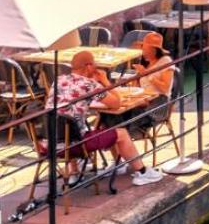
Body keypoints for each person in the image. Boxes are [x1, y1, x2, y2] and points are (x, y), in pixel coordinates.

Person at [47, 51, 164, 186]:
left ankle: (74, 172)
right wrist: (105, 81)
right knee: (122, 133)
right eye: (95, 65)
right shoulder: (89, 84)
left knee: (71, 125)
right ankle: (143, 172)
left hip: (49, 144)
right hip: (75, 146)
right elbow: (116, 103)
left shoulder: (58, 80)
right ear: (89, 66)